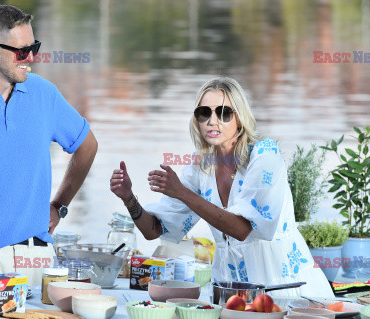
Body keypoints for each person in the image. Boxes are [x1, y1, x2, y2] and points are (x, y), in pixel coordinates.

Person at [110, 77, 333, 298]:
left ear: (240, 119)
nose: (212, 121)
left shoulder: (265, 155)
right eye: (204, 113)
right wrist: (129, 198)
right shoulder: (200, 167)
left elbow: (242, 229)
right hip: (230, 293)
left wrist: (181, 192)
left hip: (285, 288)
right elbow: (154, 231)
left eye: (224, 113)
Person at [0, 4, 98, 286]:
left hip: (37, 260)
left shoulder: (43, 93)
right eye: (22, 51)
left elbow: (87, 146)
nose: (31, 58)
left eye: (33, 47)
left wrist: (59, 204)